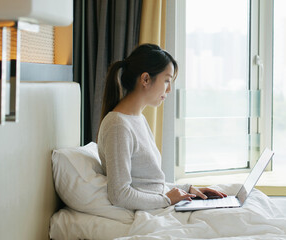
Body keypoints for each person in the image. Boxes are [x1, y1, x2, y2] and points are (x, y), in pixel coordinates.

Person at [97, 43, 227, 210]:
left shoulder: (137, 119)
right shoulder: (118, 126)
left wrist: (186, 190)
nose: (170, 89)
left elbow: (149, 182)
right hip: (153, 210)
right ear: (145, 79)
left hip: (160, 204)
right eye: (166, 80)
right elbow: (119, 195)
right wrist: (167, 200)